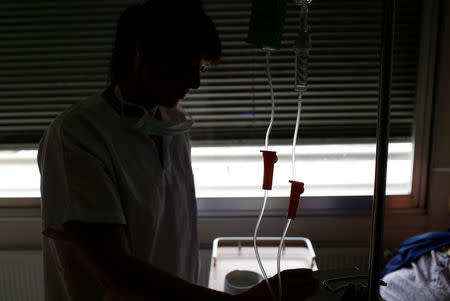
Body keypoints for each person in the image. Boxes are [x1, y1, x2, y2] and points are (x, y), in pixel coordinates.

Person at [38, 1, 318, 300]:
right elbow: (117, 272)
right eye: (187, 67)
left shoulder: (172, 126)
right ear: (143, 51)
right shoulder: (78, 135)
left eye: (199, 69)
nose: (196, 83)